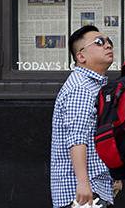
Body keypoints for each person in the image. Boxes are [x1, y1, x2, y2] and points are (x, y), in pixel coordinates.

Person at [51, 25, 116, 208]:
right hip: (82, 196)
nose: (108, 45)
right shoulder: (81, 88)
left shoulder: (93, 85)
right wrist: (83, 183)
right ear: (81, 56)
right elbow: (77, 138)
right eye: (99, 42)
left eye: (108, 41)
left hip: (94, 189)